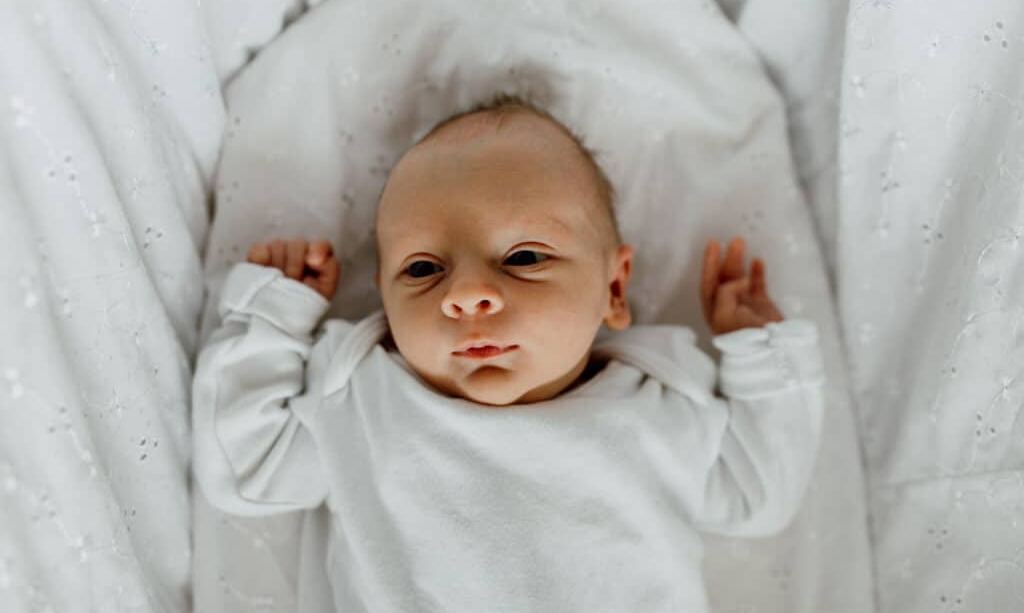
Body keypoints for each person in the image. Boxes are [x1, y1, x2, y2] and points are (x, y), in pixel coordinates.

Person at [192, 95, 824, 611]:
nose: (466, 295)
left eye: (523, 258)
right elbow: (248, 468)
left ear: (612, 287)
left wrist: (758, 356)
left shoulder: (661, 399)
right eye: (422, 269)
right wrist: (273, 319)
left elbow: (756, 494)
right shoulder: (362, 393)